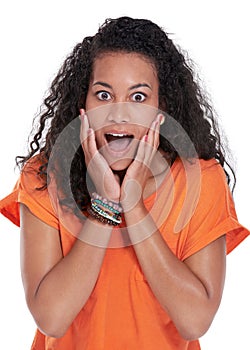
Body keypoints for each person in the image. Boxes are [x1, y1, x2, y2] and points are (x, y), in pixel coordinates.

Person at [0, 16, 249, 350]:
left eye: (138, 97)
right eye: (103, 94)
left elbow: (195, 320)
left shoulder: (201, 180)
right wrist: (105, 205)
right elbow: (51, 318)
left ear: (164, 107)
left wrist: (132, 205)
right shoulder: (44, 176)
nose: (118, 114)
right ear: (82, 105)